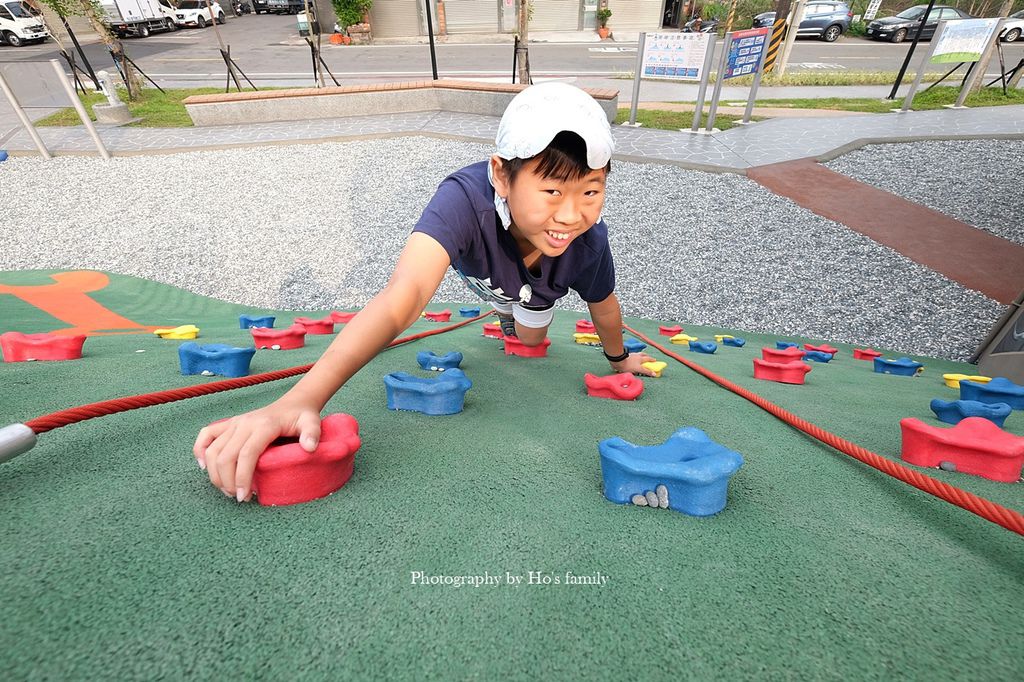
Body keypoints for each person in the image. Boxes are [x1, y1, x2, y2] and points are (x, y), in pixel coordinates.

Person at [193, 82, 658, 503]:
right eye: (553, 191)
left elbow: (605, 310)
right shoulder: (463, 198)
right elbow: (407, 293)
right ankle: (503, 309)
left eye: (591, 192)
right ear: (500, 174)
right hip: (487, 277)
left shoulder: (588, 245)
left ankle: (516, 314)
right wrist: (301, 399)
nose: (571, 215)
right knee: (503, 303)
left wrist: (619, 362)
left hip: (542, 291)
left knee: (532, 340)